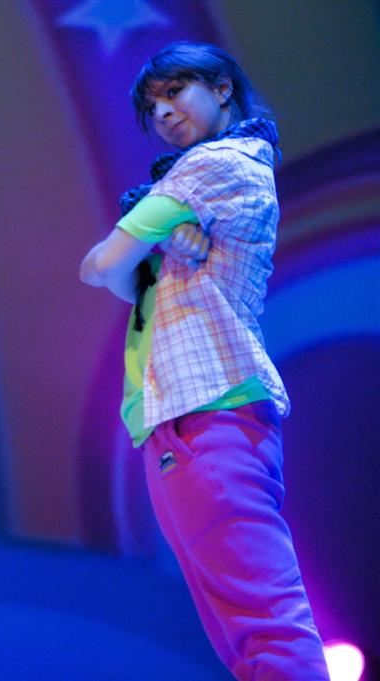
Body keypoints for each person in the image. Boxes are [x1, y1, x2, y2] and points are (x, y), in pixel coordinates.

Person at [80, 42, 330, 680]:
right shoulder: (194, 182)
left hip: (211, 411)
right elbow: (108, 270)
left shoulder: (216, 164)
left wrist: (143, 241)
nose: (164, 113)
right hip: (180, 416)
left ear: (222, 88)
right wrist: (160, 238)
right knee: (241, 632)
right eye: (153, 106)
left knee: (265, 621)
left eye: (175, 91)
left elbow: (104, 263)